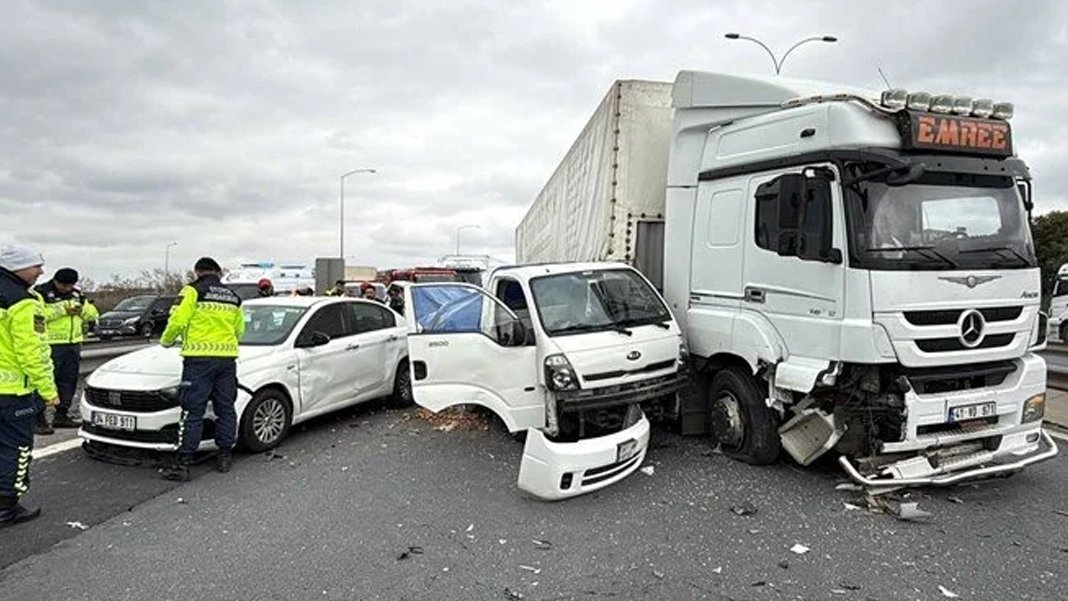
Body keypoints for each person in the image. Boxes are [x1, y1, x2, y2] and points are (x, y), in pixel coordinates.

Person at [159, 257, 244, 481]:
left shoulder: (192, 290)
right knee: (225, 407)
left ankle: (183, 462)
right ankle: (225, 456)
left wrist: (166, 341)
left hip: (199, 359)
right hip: (227, 359)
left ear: (197, 272)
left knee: (192, 410)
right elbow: (240, 330)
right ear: (218, 273)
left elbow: (177, 320)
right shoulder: (233, 297)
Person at [0, 245, 58, 528]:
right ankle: (7, 507)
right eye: (36, 266)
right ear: (17, 267)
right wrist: (48, 391)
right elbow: (32, 352)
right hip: (13, 393)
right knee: (17, 448)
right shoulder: (22, 301)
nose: (41, 272)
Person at [34, 268, 99, 431]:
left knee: (68, 382)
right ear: (55, 281)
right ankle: (38, 419)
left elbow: (92, 315)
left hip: (72, 344)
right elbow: (38, 317)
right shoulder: (40, 293)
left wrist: (81, 309)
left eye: (69, 285)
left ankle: (62, 415)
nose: (66, 289)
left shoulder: (77, 294)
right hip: (49, 344)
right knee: (45, 381)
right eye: (63, 285)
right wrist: (63, 310)